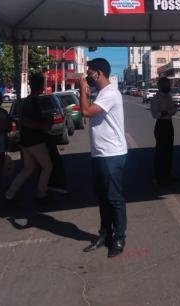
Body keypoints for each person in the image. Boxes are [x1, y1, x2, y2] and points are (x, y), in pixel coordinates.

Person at [79, 58, 128, 257]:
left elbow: (85, 111)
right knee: (102, 198)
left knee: (114, 198)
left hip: (112, 154)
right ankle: (105, 234)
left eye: (89, 73)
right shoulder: (102, 94)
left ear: (98, 73)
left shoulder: (110, 93)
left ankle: (119, 237)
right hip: (99, 153)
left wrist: (83, 89)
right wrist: (88, 93)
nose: (86, 77)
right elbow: (90, 112)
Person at [5, 74, 54, 206]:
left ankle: (9, 195)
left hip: (25, 141)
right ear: (41, 86)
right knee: (48, 167)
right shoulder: (32, 102)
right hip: (34, 141)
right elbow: (25, 122)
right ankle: (41, 195)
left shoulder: (27, 101)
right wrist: (43, 125)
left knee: (28, 169)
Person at [150, 76, 177, 186]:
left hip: (169, 124)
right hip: (161, 125)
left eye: (168, 84)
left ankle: (167, 174)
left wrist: (167, 112)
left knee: (169, 150)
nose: (168, 86)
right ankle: (158, 176)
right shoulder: (156, 98)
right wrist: (165, 112)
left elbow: (174, 110)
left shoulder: (169, 97)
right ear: (160, 86)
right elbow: (155, 114)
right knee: (160, 151)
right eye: (166, 84)